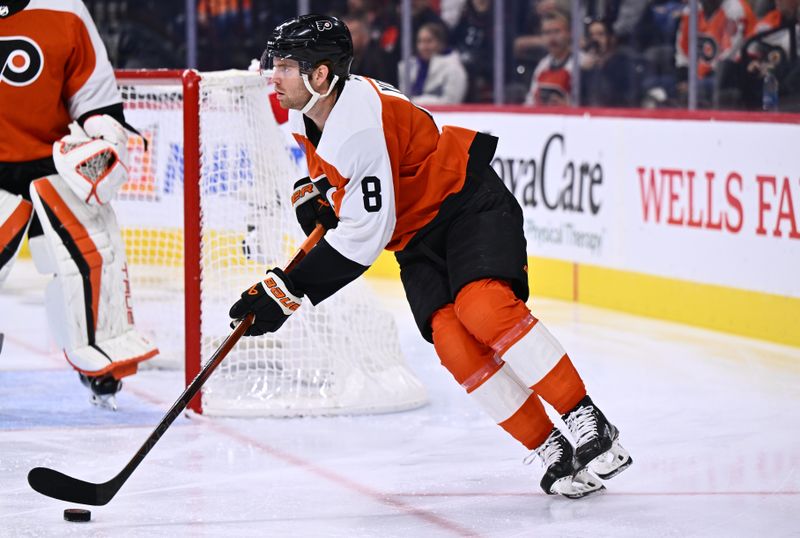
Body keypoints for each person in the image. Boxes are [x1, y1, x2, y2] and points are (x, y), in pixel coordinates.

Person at [229, 14, 632, 499]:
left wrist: (284, 294)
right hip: (417, 234)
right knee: (452, 342)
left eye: (287, 66)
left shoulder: (355, 123)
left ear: (320, 75)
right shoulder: (323, 107)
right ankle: (554, 451)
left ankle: (587, 420)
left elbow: (361, 241)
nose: (274, 75)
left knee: (482, 307)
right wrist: (316, 191)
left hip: (466, 204)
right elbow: (351, 182)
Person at [0, 0, 158, 409]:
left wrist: (104, 133)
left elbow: (94, 99)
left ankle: (102, 365)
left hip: (49, 166)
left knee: (92, 258)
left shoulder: (64, 8)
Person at [398, 22, 468, 104]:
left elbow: (451, 101)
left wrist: (415, 102)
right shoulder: (408, 67)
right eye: (420, 41)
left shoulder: (454, 68)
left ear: (441, 43)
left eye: (429, 41)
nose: (423, 47)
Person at [580, 19, 635, 107]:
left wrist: (601, 68)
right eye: (591, 35)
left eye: (600, 34)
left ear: (612, 38)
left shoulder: (623, 64)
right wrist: (584, 71)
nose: (595, 39)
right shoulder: (587, 67)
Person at [526, 9, 574, 106]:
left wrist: (568, 106)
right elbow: (530, 101)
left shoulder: (582, 64)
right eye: (547, 33)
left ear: (569, 33)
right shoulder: (542, 65)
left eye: (557, 31)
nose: (552, 38)